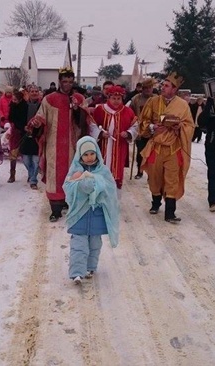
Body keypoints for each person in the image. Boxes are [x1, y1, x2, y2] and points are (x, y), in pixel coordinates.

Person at [29, 67, 91, 222]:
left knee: (73, 175)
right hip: (53, 145)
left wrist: (77, 110)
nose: (68, 85)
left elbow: (86, 122)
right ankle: (55, 209)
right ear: (59, 82)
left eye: (70, 82)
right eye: (65, 82)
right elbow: (41, 116)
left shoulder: (79, 98)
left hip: (73, 146)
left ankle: (71, 204)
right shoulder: (49, 99)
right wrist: (37, 123)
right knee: (55, 175)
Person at [139, 73, 195, 223]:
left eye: (166, 86)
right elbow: (143, 121)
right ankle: (156, 203)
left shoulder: (183, 105)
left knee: (172, 180)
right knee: (155, 179)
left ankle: (170, 212)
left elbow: (190, 125)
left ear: (174, 89)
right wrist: (152, 127)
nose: (162, 88)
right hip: (156, 146)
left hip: (174, 148)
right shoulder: (153, 101)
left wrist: (179, 127)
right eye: (162, 85)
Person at [63, 136, 119, 284]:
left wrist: (97, 184)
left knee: (95, 244)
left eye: (92, 153)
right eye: (85, 154)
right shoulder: (75, 171)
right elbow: (67, 188)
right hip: (79, 215)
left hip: (97, 214)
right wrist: (79, 185)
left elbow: (110, 189)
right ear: (80, 155)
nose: (89, 157)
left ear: (97, 153)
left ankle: (90, 267)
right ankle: (76, 272)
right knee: (79, 245)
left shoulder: (103, 171)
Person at [91, 85, 137, 190]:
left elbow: (135, 126)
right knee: (101, 171)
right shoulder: (100, 110)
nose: (116, 101)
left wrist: (128, 133)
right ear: (108, 98)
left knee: (117, 172)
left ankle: (114, 200)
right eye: (113, 98)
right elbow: (92, 125)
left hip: (119, 147)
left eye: (119, 99)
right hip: (103, 147)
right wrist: (100, 133)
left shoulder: (128, 111)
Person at [129, 78, 156, 179]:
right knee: (141, 152)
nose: (148, 90)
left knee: (152, 154)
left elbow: (164, 113)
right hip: (140, 131)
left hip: (153, 131)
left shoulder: (157, 99)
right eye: (146, 88)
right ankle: (139, 171)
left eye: (150, 88)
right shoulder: (136, 99)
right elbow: (130, 112)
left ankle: (150, 173)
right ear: (142, 89)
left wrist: (162, 123)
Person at [5, 90, 24, 183]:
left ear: (20, 100)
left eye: (15, 99)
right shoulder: (12, 106)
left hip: (24, 131)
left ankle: (31, 173)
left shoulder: (25, 106)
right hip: (15, 131)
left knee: (26, 154)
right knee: (13, 153)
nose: (13, 101)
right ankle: (12, 174)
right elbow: (10, 119)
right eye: (13, 99)